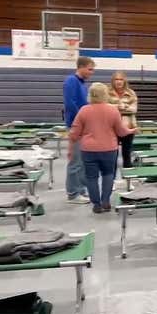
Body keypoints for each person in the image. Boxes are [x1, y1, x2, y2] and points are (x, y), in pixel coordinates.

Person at [68, 83, 136, 214]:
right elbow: (121, 132)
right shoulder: (113, 110)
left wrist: (71, 149)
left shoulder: (83, 110)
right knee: (108, 174)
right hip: (109, 149)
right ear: (106, 95)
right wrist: (131, 130)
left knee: (91, 177)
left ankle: (96, 204)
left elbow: (74, 134)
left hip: (88, 150)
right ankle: (106, 201)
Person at [62, 56, 94, 204]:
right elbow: (70, 104)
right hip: (76, 125)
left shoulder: (82, 84)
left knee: (81, 161)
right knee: (75, 160)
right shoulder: (71, 81)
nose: (91, 72)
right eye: (90, 69)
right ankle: (72, 194)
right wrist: (81, 120)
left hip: (84, 126)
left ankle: (80, 189)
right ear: (80, 67)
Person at [108, 71, 138, 168]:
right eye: (116, 79)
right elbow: (104, 108)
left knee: (127, 155)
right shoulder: (107, 92)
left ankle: (128, 179)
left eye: (121, 79)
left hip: (128, 127)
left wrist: (122, 107)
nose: (119, 82)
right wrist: (118, 107)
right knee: (112, 154)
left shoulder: (131, 93)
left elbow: (134, 109)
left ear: (124, 81)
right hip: (112, 128)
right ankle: (111, 179)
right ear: (113, 81)